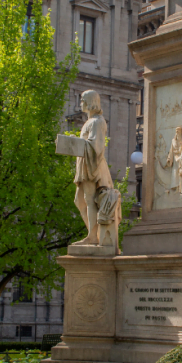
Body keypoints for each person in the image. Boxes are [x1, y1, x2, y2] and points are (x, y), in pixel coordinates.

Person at [72, 90, 121, 246]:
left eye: (83, 100)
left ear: (90, 101)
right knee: (80, 201)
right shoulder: (91, 121)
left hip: (92, 166)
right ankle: (93, 233)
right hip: (85, 164)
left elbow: (96, 146)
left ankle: (93, 236)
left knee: (89, 200)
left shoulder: (97, 121)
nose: (81, 104)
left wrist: (77, 144)